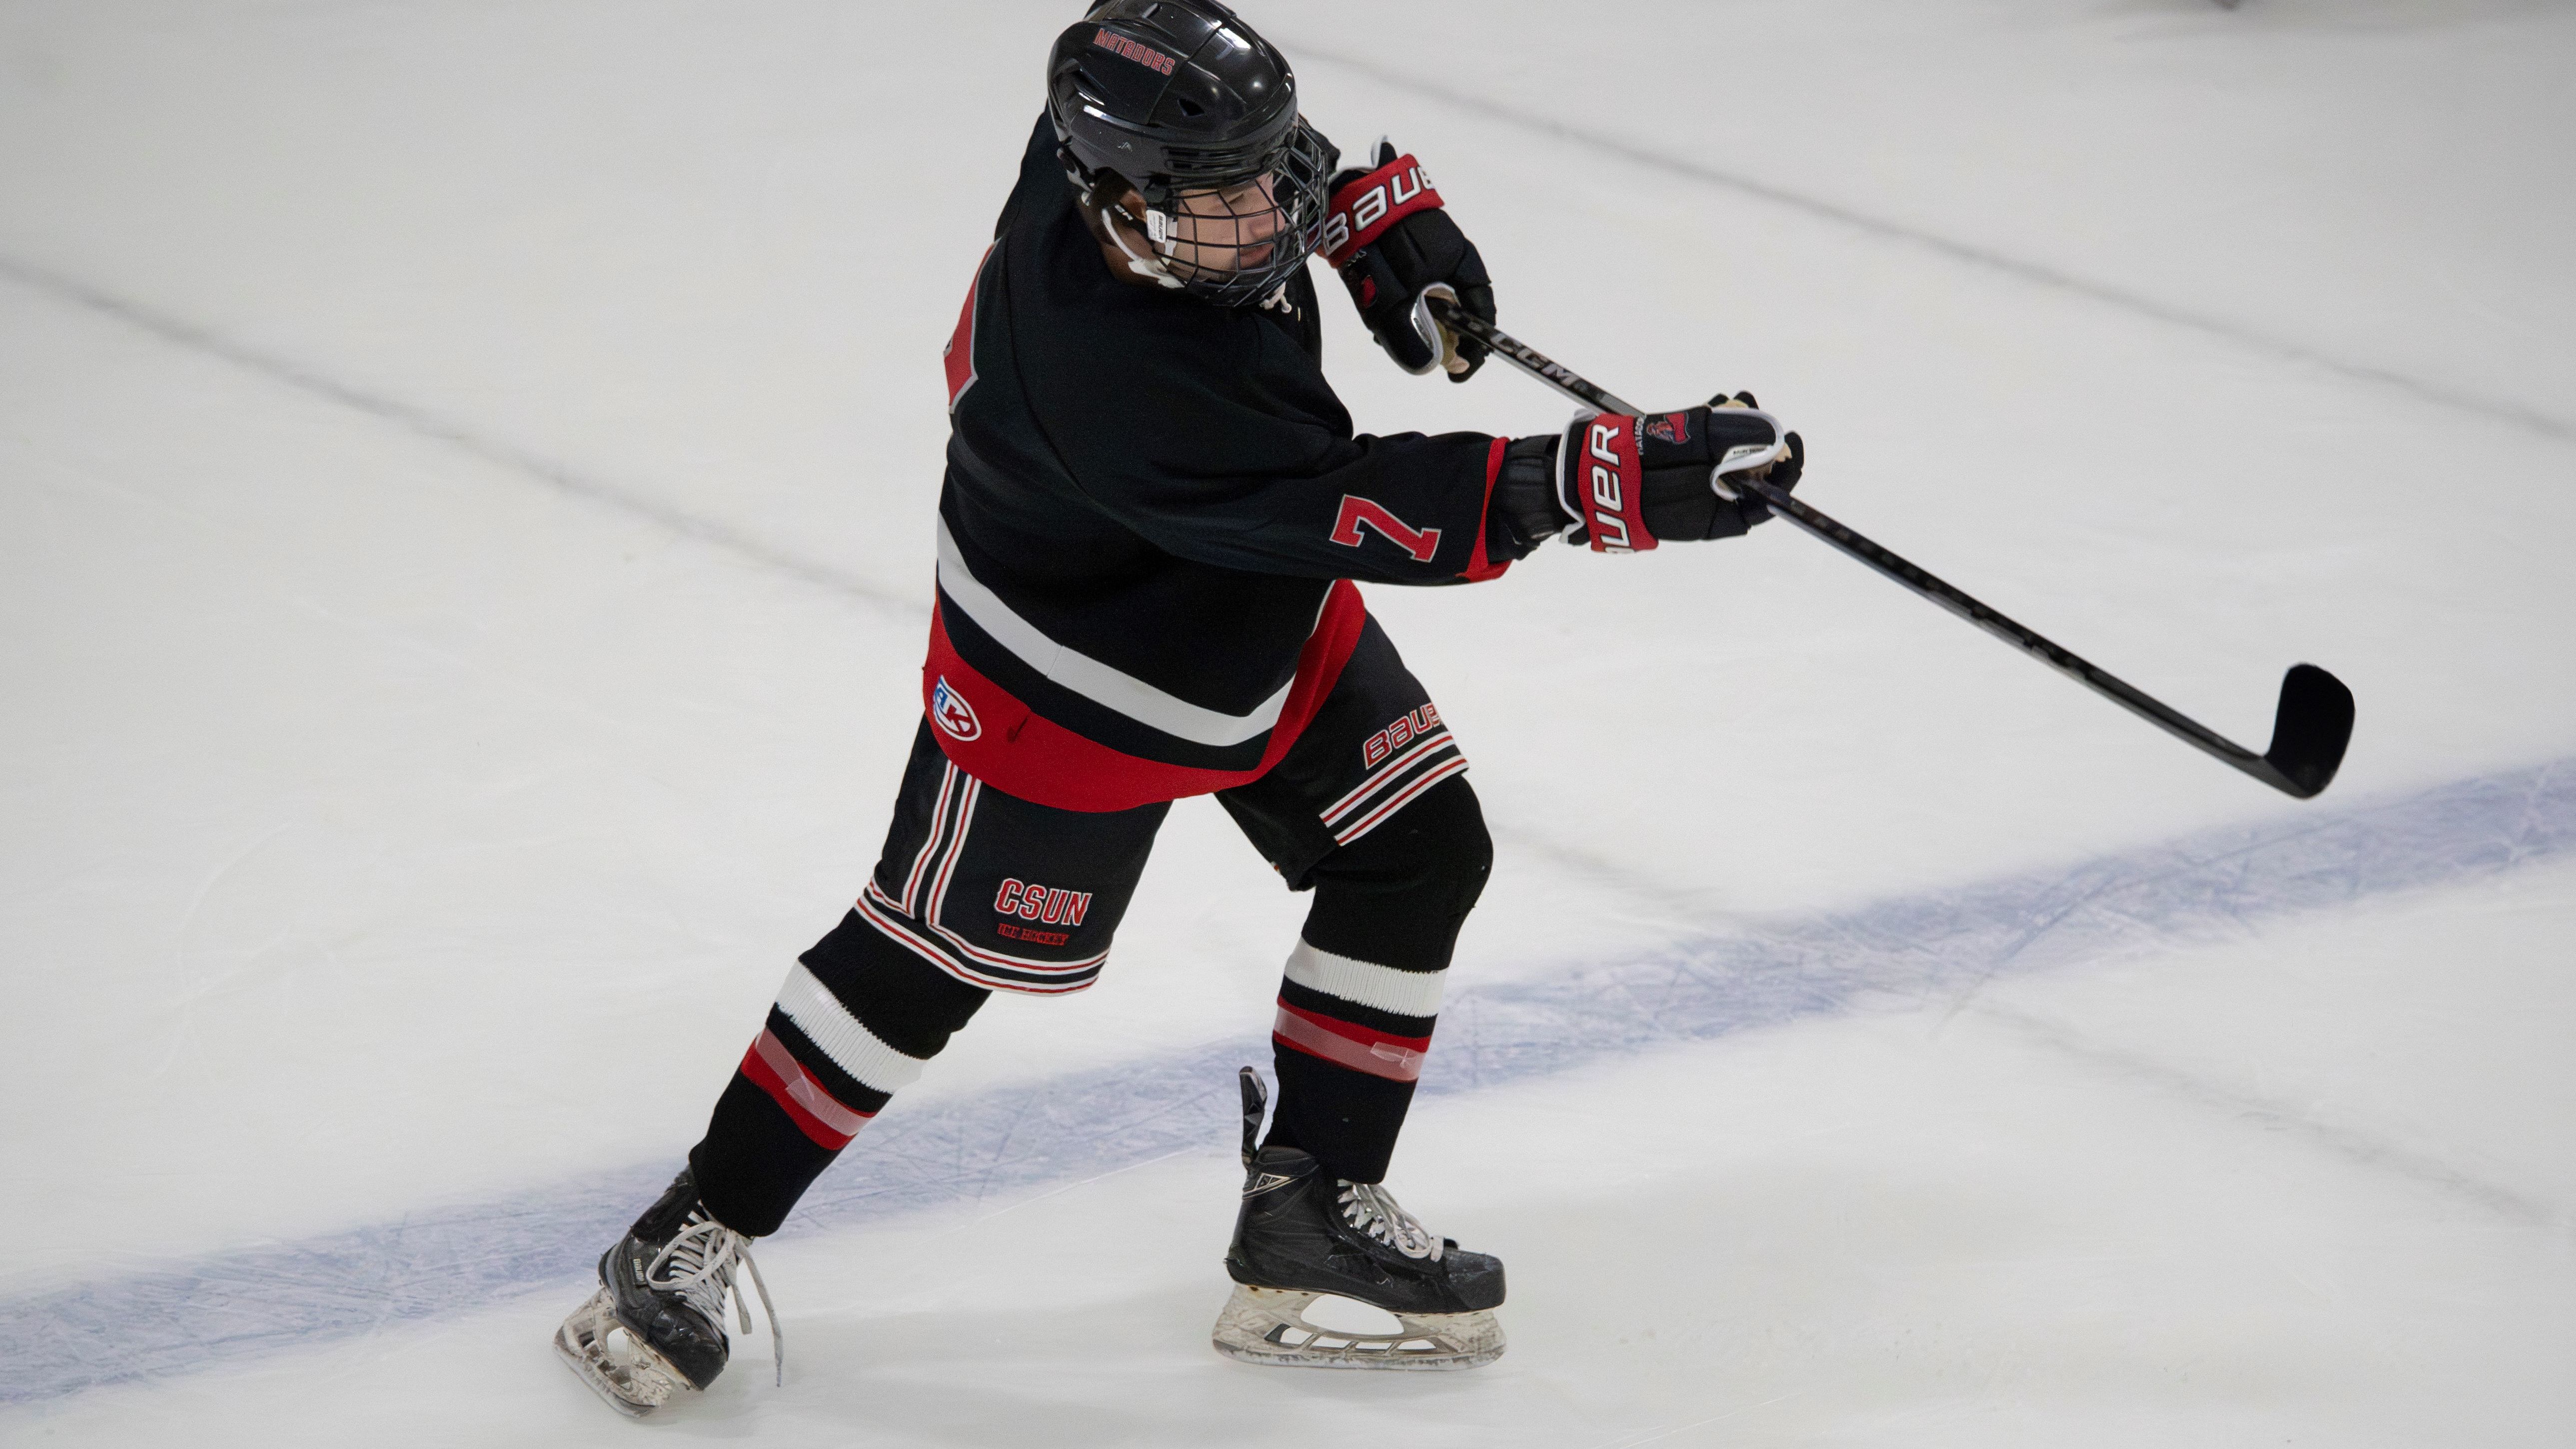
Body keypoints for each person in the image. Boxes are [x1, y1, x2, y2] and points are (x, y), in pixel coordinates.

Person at [554, 0, 1802, 1417]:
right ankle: (686, 1231)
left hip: (1246, 605)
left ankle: (1313, 1200)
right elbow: (1359, 504)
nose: (1262, 216)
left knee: (1416, 848)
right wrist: (1598, 481)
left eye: (1265, 180)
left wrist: (1371, 218)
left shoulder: (1123, 150)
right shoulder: (1114, 373)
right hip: (1070, 673)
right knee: (925, 960)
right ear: (1116, 197)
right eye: (1223, 199)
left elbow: (1261, 163)